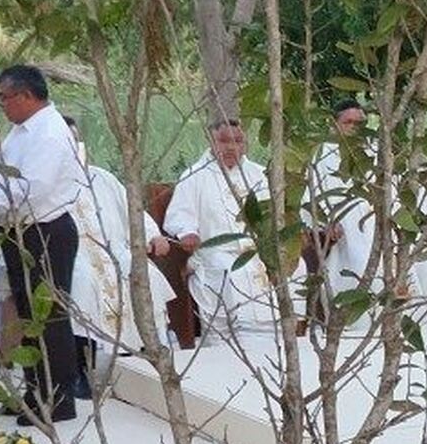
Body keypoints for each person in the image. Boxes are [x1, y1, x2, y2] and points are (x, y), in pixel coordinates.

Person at [0, 65, 84, 423]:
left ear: (27, 95)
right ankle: (36, 390)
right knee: (30, 316)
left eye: (5, 97)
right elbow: (6, 179)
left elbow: (32, 189)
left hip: (45, 231)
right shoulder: (21, 132)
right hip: (19, 231)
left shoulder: (49, 133)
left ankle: (58, 398)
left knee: (49, 317)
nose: (1, 105)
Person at [63, 116, 172, 386]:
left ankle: (148, 352)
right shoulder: (44, 181)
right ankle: (80, 369)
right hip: (73, 257)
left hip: (113, 252)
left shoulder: (104, 178)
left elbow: (132, 211)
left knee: (148, 275)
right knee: (83, 283)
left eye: (75, 141)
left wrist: (154, 235)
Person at [158, 119, 276, 338]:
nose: (231, 147)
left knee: (296, 268)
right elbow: (180, 215)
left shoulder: (259, 175)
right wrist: (188, 233)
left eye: (238, 141)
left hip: (258, 251)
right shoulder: (195, 176)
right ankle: (230, 342)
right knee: (233, 271)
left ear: (245, 144)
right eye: (224, 141)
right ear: (211, 142)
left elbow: (274, 215)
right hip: (214, 251)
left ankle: (278, 338)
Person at [306, 100, 375, 300]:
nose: (354, 128)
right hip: (344, 236)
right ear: (335, 124)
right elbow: (309, 202)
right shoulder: (321, 156)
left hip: (377, 230)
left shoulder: (376, 152)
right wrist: (325, 225)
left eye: (359, 124)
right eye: (348, 122)